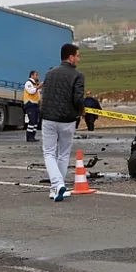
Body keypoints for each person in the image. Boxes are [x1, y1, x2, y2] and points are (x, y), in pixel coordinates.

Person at [40, 43, 84, 202]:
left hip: (49, 119)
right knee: (63, 154)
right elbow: (78, 99)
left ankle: (56, 187)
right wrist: (81, 111)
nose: (79, 59)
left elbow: (44, 96)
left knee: (49, 153)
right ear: (70, 57)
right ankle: (58, 185)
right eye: (77, 56)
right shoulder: (77, 75)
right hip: (67, 120)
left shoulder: (49, 74)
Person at [23, 70, 42, 142]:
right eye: (36, 75)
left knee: (35, 122)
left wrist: (40, 101)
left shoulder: (36, 84)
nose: (37, 77)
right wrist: (38, 87)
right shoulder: (28, 83)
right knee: (32, 121)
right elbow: (31, 91)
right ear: (32, 75)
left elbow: (38, 94)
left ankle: (33, 136)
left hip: (35, 105)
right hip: (30, 104)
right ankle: (29, 137)